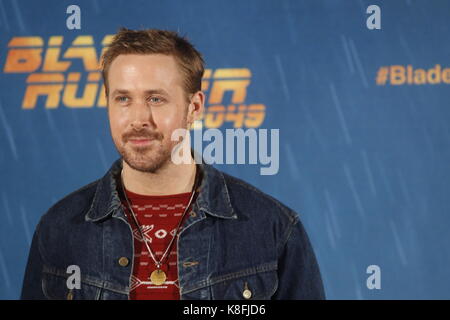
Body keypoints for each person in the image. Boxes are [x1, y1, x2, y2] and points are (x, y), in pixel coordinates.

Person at [20, 28, 325, 300]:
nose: (139, 119)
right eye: (123, 99)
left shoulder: (272, 228)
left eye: (156, 99)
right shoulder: (59, 229)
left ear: (194, 108)